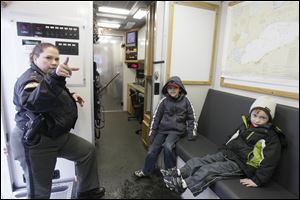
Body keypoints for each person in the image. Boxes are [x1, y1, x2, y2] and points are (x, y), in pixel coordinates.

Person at [10, 43, 105, 199]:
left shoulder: (47, 77)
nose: (54, 62)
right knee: (40, 190)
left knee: (87, 151)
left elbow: (51, 95)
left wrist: (71, 95)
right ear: (35, 58)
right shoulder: (30, 78)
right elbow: (34, 102)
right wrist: (55, 77)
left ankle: (86, 191)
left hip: (55, 133)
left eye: (56, 58)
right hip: (36, 140)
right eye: (48, 58)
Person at [161, 96, 287, 196]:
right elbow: (232, 137)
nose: (257, 120)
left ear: (269, 120)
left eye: (262, 118)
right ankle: (178, 173)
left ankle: (182, 185)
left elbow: (270, 161)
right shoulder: (246, 124)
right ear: (250, 114)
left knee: (208, 170)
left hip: (241, 165)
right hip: (228, 154)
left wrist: (258, 180)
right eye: (255, 115)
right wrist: (223, 150)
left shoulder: (270, 137)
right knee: (200, 160)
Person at [134, 76, 197, 178]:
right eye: (170, 88)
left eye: (175, 88)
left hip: (176, 131)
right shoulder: (163, 101)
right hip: (162, 130)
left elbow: (192, 118)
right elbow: (156, 118)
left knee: (168, 146)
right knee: (152, 150)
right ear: (167, 89)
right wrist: (152, 134)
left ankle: (170, 174)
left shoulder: (186, 101)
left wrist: (191, 134)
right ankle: (146, 171)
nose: (172, 90)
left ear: (180, 88)